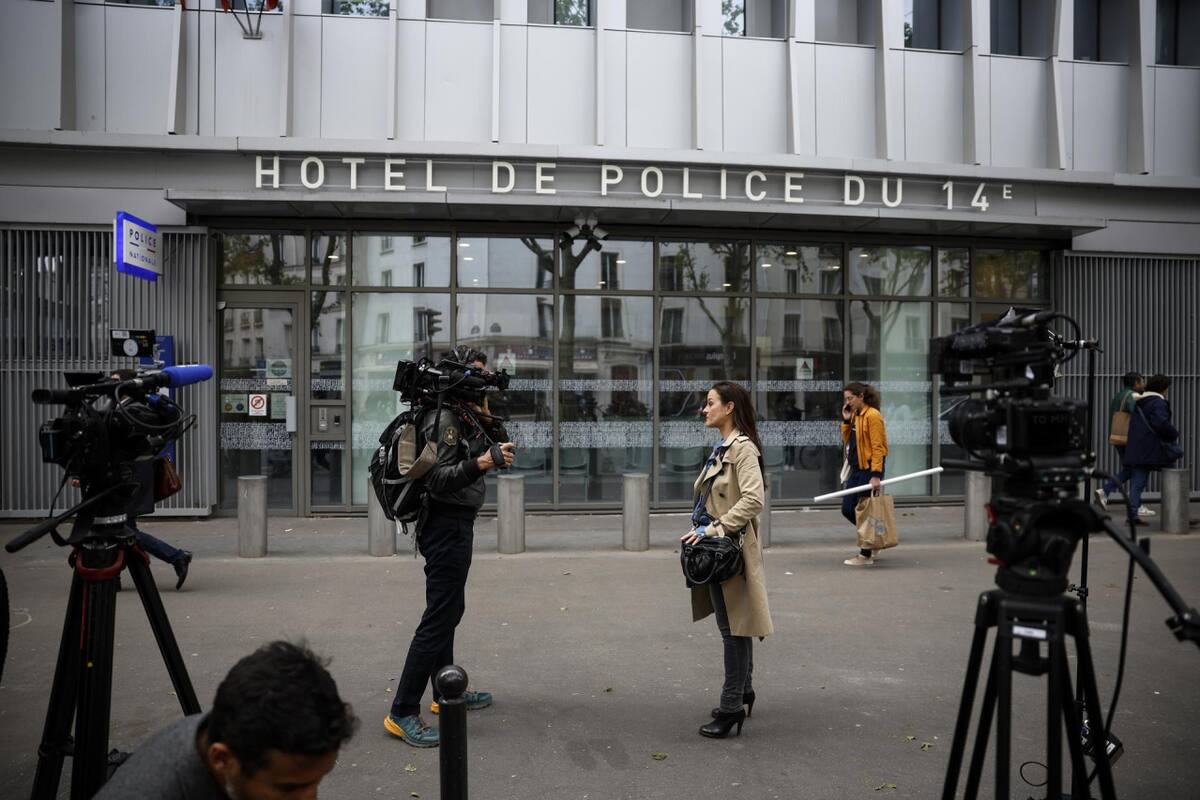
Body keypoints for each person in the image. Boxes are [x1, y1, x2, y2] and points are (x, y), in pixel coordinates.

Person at [385, 346, 516, 748]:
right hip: (444, 525)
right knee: (440, 615)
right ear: (456, 376)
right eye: (477, 374)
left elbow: (503, 443)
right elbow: (437, 479)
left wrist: (487, 412)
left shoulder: (464, 413)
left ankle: (444, 692)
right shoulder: (444, 417)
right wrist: (481, 464)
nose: (484, 380)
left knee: (447, 609)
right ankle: (403, 710)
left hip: (455, 524)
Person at [95, 640, 357, 800]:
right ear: (222, 760)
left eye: (317, 782)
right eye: (287, 790)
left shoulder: (230, 727)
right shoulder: (152, 791)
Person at [680, 381, 773, 739]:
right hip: (717, 551)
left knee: (732, 631)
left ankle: (732, 706)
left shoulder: (742, 449)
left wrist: (712, 529)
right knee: (736, 626)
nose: (704, 409)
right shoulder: (724, 446)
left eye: (710, 403)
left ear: (730, 407)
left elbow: (753, 500)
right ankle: (743, 691)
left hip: (727, 551)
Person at [109, 370, 194, 589]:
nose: (110, 385)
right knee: (122, 528)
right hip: (124, 478)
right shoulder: (118, 408)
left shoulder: (134, 409)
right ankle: (114, 574)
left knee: (123, 529)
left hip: (130, 479)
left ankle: (176, 556)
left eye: (115, 381)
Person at [839, 382, 888, 566]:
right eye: (846, 399)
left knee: (864, 509)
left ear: (861, 396)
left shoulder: (872, 415)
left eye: (850, 398)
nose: (848, 402)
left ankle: (865, 555)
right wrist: (845, 420)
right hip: (856, 468)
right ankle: (876, 536)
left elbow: (878, 447)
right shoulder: (855, 415)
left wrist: (876, 474)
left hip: (869, 469)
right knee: (848, 509)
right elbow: (848, 442)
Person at [1123, 374, 1181, 527]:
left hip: (1138, 447)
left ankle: (1132, 515)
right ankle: (1178, 513)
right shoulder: (1157, 403)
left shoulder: (1140, 401)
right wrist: (1174, 433)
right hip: (1153, 447)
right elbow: (1160, 423)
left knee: (1137, 483)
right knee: (1173, 476)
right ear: (1163, 388)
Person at [1095, 371, 1145, 514]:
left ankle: (1105, 491)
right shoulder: (1131, 396)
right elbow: (1136, 414)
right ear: (1136, 383)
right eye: (1142, 381)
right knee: (1138, 470)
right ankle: (1136, 505)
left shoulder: (1119, 395)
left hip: (1118, 437)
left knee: (1130, 469)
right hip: (1129, 439)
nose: (1144, 384)